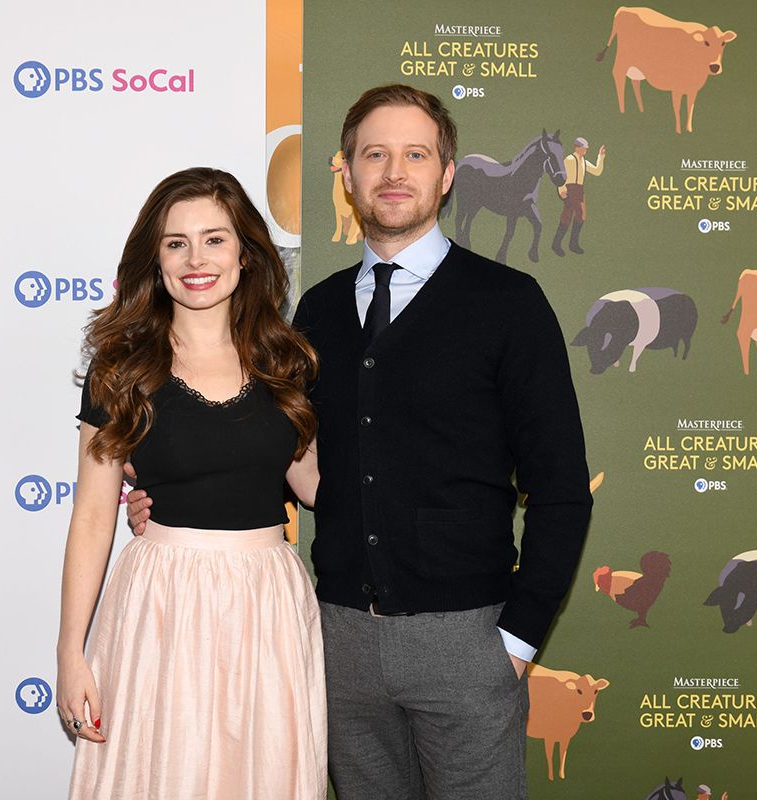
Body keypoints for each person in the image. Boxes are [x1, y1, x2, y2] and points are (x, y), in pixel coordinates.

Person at [127, 84, 593, 800]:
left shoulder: (508, 303)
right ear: (346, 174)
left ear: (448, 173)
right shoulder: (315, 313)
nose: (394, 172)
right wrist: (177, 500)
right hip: (337, 641)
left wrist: (518, 641)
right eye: (374, 154)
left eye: (415, 154)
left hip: (468, 642)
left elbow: (561, 487)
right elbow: (285, 457)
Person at [57, 167, 327, 799]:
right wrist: (72, 653)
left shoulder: (286, 360)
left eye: (214, 239)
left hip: (268, 601)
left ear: (246, 253)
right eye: (176, 243)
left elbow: (315, 486)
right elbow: (95, 516)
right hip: (159, 600)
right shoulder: (122, 369)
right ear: (155, 258)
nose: (196, 259)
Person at [551, 135, 606, 256]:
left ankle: (573, 244)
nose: (586, 150)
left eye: (586, 148)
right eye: (584, 148)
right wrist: (561, 189)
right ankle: (557, 244)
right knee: (567, 216)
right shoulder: (569, 160)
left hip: (579, 190)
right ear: (577, 148)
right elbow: (562, 175)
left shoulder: (584, 162)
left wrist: (600, 157)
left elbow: (597, 171)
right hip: (570, 189)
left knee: (581, 216)